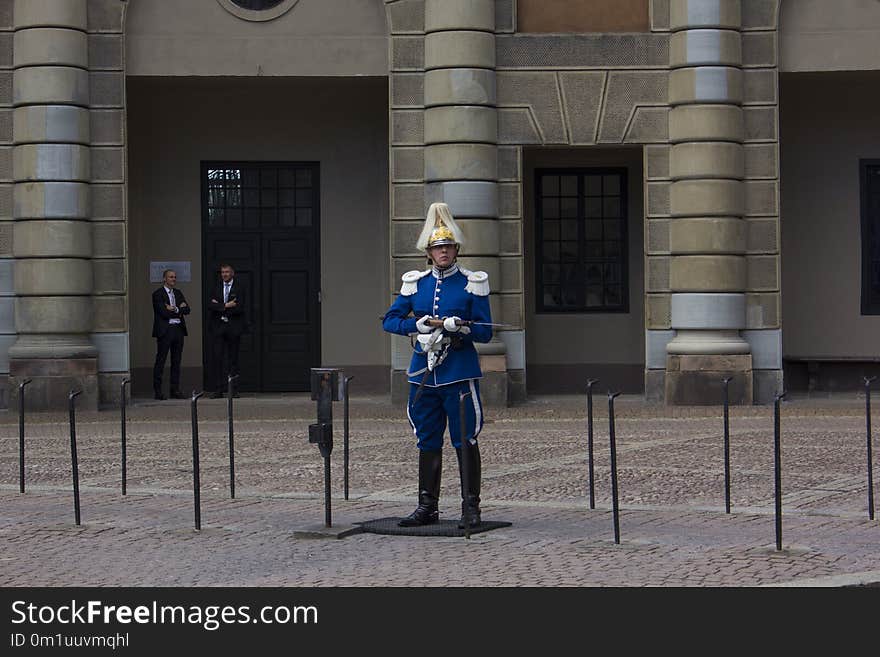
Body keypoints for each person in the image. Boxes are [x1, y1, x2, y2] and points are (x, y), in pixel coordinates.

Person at [382, 202, 493, 528]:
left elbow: (485, 331)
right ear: (428, 252)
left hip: (458, 371)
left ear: (456, 249)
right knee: (427, 439)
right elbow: (391, 320)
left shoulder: (472, 282)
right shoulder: (416, 282)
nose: (443, 251)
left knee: (464, 439)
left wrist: (461, 327)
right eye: (437, 247)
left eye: (447, 246)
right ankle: (427, 506)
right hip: (423, 374)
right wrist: (418, 326)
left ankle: (470, 508)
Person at [207, 263, 247, 398]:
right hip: (218, 328)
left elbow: (239, 307)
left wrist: (220, 308)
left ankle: (233, 389)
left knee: (233, 359)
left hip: (233, 327)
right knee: (217, 358)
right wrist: (226, 305)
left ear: (232, 273)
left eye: (227, 272)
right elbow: (210, 305)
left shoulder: (240, 288)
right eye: (222, 272)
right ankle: (218, 389)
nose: (224, 274)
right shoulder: (216, 287)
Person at [151, 269, 190, 400]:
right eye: (171, 277)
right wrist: (179, 310)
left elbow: (187, 309)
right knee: (161, 360)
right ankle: (158, 391)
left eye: (175, 277)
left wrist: (175, 308)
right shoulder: (157, 294)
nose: (173, 279)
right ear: (164, 279)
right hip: (165, 330)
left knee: (176, 361)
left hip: (178, 329)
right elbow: (163, 312)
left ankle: (175, 390)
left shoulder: (178, 293)